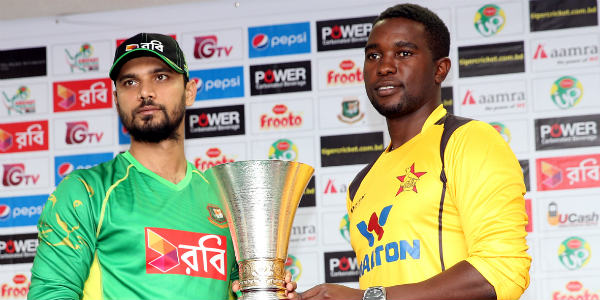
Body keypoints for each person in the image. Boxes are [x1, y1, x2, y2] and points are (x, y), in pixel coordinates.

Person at [28, 33, 297, 300]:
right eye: (130, 82)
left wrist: (272, 291)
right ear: (116, 98)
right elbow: (50, 295)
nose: (145, 92)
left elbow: (246, 292)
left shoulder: (226, 198)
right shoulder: (86, 191)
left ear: (189, 91)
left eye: (160, 77)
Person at [301, 4, 530, 300]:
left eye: (404, 53)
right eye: (373, 55)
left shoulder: (468, 140)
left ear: (440, 69)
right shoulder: (361, 184)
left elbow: (503, 270)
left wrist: (365, 298)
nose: (384, 66)